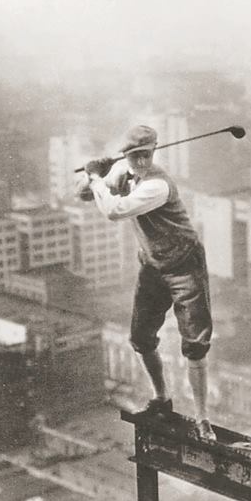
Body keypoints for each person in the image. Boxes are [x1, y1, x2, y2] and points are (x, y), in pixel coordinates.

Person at [77, 124, 216, 440]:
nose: (141, 161)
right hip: (153, 265)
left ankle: (203, 419)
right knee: (140, 337)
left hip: (184, 265)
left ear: (153, 152)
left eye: (146, 154)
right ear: (126, 156)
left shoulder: (158, 185)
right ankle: (161, 398)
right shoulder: (124, 173)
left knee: (195, 345)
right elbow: (84, 194)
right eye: (135, 156)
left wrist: (98, 178)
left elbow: (115, 211)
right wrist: (94, 173)